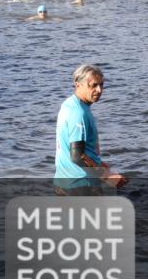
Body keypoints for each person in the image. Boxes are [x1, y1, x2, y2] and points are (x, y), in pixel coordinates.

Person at [54, 64, 127, 195]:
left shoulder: (69, 105)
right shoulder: (78, 113)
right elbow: (77, 156)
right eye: (93, 85)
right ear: (78, 85)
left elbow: (76, 148)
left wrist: (101, 164)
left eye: (101, 85)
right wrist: (106, 176)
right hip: (81, 186)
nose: (99, 90)